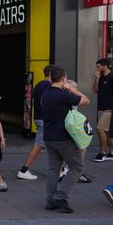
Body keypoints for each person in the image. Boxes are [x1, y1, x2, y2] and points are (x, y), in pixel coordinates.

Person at [41, 65, 91, 213]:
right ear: (63, 79)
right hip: (63, 138)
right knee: (77, 167)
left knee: (53, 169)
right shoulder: (63, 95)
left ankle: (50, 201)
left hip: (49, 137)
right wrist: (71, 88)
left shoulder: (46, 93)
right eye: (66, 79)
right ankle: (60, 196)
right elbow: (86, 101)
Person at [17, 65, 53, 180]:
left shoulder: (39, 84)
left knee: (55, 144)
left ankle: (61, 170)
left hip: (39, 118)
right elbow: (46, 102)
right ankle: (24, 170)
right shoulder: (48, 86)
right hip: (44, 119)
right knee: (38, 146)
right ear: (52, 73)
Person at [92, 58, 113, 162]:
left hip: (109, 109)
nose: (97, 69)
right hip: (101, 108)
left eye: (98, 66)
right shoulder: (100, 77)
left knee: (100, 129)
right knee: (106, 131)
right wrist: (97, 79)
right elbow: (94, 90)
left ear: (105, 66)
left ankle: (103, 152)